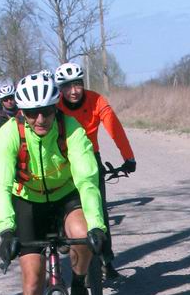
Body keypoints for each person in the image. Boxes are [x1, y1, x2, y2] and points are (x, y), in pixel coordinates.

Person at [0, 71, 106, 295]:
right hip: (28, 204)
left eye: (48, 110)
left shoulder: (72, 130)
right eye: (32, 113)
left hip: (65, 196)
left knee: (82, 235)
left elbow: (87, 178)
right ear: (22, 114)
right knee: (32, 279)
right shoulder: (10, 135)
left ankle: (80, 285)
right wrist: (6, 230)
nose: (41, 118)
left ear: (57, 107)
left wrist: (96, 224)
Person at [54, 62, 136, 281]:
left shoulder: (96, 100)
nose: (74, 91)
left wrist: (128, 156)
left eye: (78, 85)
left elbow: (114, 127)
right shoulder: (55, 107)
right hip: (62, 162)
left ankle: (106, 261)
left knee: (99, 211)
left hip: (91, 159)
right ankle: (62, 234)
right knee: (59, 203)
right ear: (60, 89)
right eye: (67, 86)